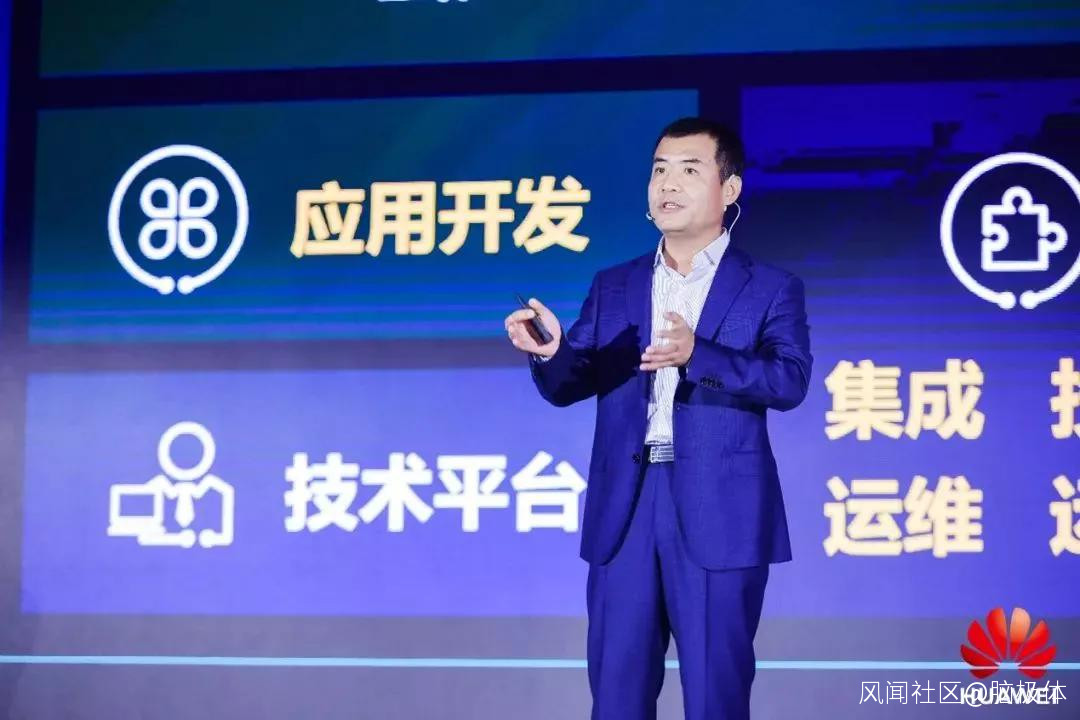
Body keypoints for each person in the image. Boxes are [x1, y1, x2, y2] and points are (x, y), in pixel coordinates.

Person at [504, 117, 812, 720]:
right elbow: (573, 383)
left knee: (716, 697)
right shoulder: (615, 285)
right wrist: (551, 352)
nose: (668, 184)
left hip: (719, 509)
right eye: (659, 170)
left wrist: (700, 356)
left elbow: (789, 380)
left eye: (689, 170)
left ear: (729, 189)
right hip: (627, 508)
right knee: (616, 696)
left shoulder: (770, 288)